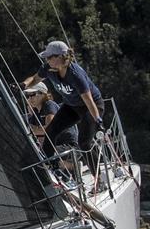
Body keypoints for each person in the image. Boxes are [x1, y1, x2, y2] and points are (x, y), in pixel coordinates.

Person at [22, 40, 104, 172]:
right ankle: (48, 166)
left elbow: (88, 101)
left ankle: (98, 178)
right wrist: (23, 85)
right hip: (71, 106)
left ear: (60, 57)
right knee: (50, 131)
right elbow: (35, 79)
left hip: (91, 106)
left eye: (49, 57)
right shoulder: (47, 68)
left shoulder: (76, 75)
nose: (47, 60)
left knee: (84, 143)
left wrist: (98, 120)